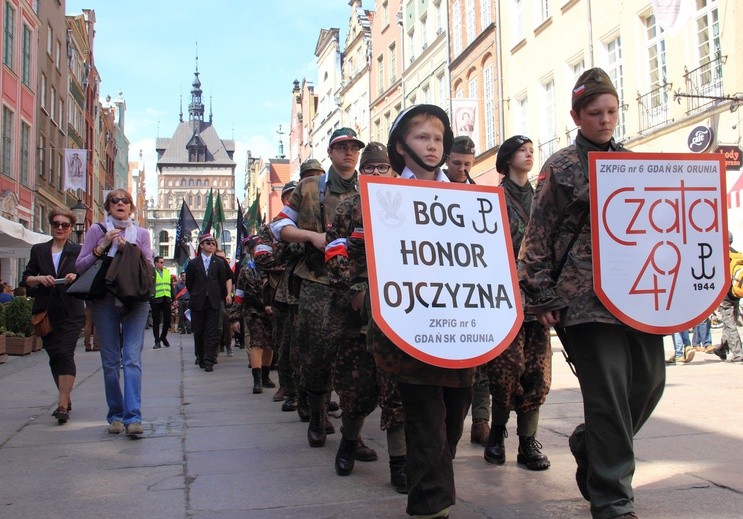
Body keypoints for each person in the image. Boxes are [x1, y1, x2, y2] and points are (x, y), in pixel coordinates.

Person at [518, 68, 665, 519]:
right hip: (581, 300)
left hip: (637, 295)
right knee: (607, 395)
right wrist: (541, 297)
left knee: (649, 384)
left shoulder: (632, 162)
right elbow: (535, 239)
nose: (605, 120)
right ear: (577, 116)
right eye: (595, 113)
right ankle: (613, 500)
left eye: (611, 112)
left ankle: (590, 444)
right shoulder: (559, 167)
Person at [369, 104, 472, 519]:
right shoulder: (384, 196)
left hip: (463, 325)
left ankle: (430, 481)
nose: (432, 146)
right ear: (401, 146)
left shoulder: (468, 197)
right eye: (421, 138)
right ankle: (431, 508)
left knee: (453, 419)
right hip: (411, 328)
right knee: (426, 423)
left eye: (437, 139)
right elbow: (362, 254)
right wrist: (364, 291)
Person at [270, 127, 365, 449]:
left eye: (354, 147)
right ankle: (317, 416)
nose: (348, 153)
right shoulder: (311, 187)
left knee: (356, 355)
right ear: (331, 152)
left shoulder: (368, 186)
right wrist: (311, 237)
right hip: (317, 279)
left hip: (357, 282)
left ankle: (354, 433)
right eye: (342, 148)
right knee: (316, 351)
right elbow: (279, 225)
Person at [325, 141, 407, 491]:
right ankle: (348, 442)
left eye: (382, 168)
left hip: (398, 312)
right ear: (362, 174)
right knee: (357, 391)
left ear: (392, 171)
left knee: (397, 392)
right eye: (370, 168)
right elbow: (334, 252)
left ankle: (400, 464)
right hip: (355, 315)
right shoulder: (346, 209)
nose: (376, 173)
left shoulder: (407, 204)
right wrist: (354, 290)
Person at [484, 135, 552, 471]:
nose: (529, 155)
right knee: (504, 372)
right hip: (504, 297)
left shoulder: (543, 196)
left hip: (538, 297)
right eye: (523, 151)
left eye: (531, 150)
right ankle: (496, 435)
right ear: (508, 158)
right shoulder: (493, 198)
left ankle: (528, 442)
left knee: (536, 371)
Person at [77, 189, 154, 437]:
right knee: (110, 362)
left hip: (135, 300)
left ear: (131, 207)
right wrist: (102, 246)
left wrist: (129, 249)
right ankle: (115, 415)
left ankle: (133, 417)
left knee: (131, 359)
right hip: (105, 300)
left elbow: (149, 268)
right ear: (108, 206)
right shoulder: (96, 231)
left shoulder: (141, 234)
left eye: (125, 201)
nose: (120, 204)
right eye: (115, 200)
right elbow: (80, 265)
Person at [22, 207, 85, 425]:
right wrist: (39, 279)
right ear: (51, 225)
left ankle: (61, 404)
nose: (60, 228)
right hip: (46, 312)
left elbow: (86, 274)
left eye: (64, 225)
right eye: (56, 224)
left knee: (65, 352)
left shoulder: (77, 251)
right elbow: (26, 278)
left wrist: (74, 275)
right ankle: (66, 397)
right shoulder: (39, 250)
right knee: (54, 357)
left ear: (70, 228)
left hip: (71, 309)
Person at [230, 237, 276, 393]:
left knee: (269, 344)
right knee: (256, 343)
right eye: (257, 248)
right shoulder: (246, 270)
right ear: (251, 251)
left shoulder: (274, 267)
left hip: (272, 312)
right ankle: (257, 381)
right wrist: (235, 317)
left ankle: (265, 376)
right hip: (253, 312)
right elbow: (240, 294)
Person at [185, 233, 231, 372]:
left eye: (213, 243)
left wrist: (222, 296)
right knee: (199, 331)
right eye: (208, 243)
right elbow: (189, 283)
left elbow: (222, 281)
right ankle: (200, 355)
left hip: (214, 301)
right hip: (198, 301)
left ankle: (209, 359)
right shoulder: (193, 263)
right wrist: (197, 293)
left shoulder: (219, 262)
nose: (211, 245)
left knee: (212, 331)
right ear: (201, 245)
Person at [711, 232, 743, 363]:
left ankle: (738, 354)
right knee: (730, 321)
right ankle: (722, 349)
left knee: (730, 324)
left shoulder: (722, 256)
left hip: (725, 295)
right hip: (737, 293)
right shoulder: (738, 254)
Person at [150, 256, 172, 349]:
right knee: (156, 321)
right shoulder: (152, 272)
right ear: (156, 263)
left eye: (163, 262)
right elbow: (149, 285)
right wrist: (150, 296)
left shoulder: (167, 272)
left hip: (166, 298)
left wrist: (173, 298)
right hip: (156, 299)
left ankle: (163, 337)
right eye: (161, 262)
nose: (163, 264)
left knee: (167, 320)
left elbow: (170, 286)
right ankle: (157, 341)